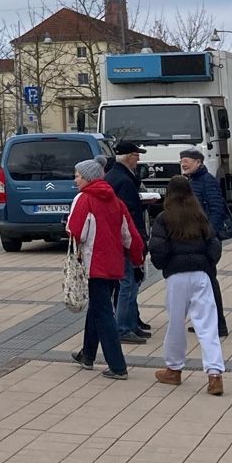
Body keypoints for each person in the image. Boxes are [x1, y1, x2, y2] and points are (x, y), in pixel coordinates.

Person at [67, 158, 144, 381]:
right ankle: (88, 355)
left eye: (78, 176)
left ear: (89, 178)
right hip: (113, 264)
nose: (75, 179)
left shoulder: (84, 199)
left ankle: (118, 365)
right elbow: (129, 235)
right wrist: (137, 259)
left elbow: (76, 232)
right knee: (98, 307)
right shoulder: (115, 201)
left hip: (93, 265)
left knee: (103, 314)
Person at [148, 175, 224, 395]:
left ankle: (174, 369)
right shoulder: (199, 216)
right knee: (208, 325)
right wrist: (208, 264)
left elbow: (158, 248)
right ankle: (215, 374)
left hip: (176, 275)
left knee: (175, 324)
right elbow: (213, 244)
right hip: (201, 274)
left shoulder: (164, 218)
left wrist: (163, 265)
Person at [177, 148, 231, 339]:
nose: (183, 163)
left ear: (198, 162)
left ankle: (219, 325)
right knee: (201, 284)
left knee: (208, 282)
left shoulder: (207, 181)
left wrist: (209, 235)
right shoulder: (191, 181)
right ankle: (207, 322)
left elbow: (217, 209)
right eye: (182, 160)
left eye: (187, 160)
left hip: (206, 241)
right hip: (196, 239)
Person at [104, 141, 152, 345]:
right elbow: (128, 213)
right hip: (126, 239)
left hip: (122, 237)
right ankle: (123, 327)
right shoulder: (122, 180)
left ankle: (131, 324)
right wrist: (139, 237)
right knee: (128, 284)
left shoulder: (119, 176)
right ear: (126, 157)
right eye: (136, 155)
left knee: (131, 282)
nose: (138, 158)